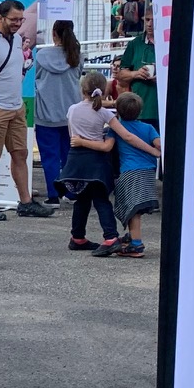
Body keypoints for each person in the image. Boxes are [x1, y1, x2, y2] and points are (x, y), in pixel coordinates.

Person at [0, 0, 50, 220]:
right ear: (0, 18)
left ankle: (25, 202)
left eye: (20, 19)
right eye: (14, 19)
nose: (18, 23)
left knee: (20, 154)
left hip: (16, 107)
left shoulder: (15, 40)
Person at [60, 72, 121, 255]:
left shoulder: (72, 109)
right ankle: (111, 236)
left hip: (76, 159)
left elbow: (73, 133)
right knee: (101, 200)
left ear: (82, 89)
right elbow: (121, 132)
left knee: (82, 199)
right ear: (103, 90)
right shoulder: (103, 113)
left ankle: (77, 237)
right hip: (96, 161)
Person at [33, 20, 83, 205]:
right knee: (69, 155)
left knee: (49, 157)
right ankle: (71, 193)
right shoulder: (77, 56)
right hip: (70, 115)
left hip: (46, 113)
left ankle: (53, 195)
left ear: (53, 33)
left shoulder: (41, 56)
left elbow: (33, 80)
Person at [108, 92, 160, 258]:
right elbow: (159, 144)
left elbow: (108, 146)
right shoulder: (148, 128)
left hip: (129, 172)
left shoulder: (117, 129)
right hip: (148, 171)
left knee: (133, 211)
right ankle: (132, 237)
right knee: (136, 208)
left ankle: (136, 245)